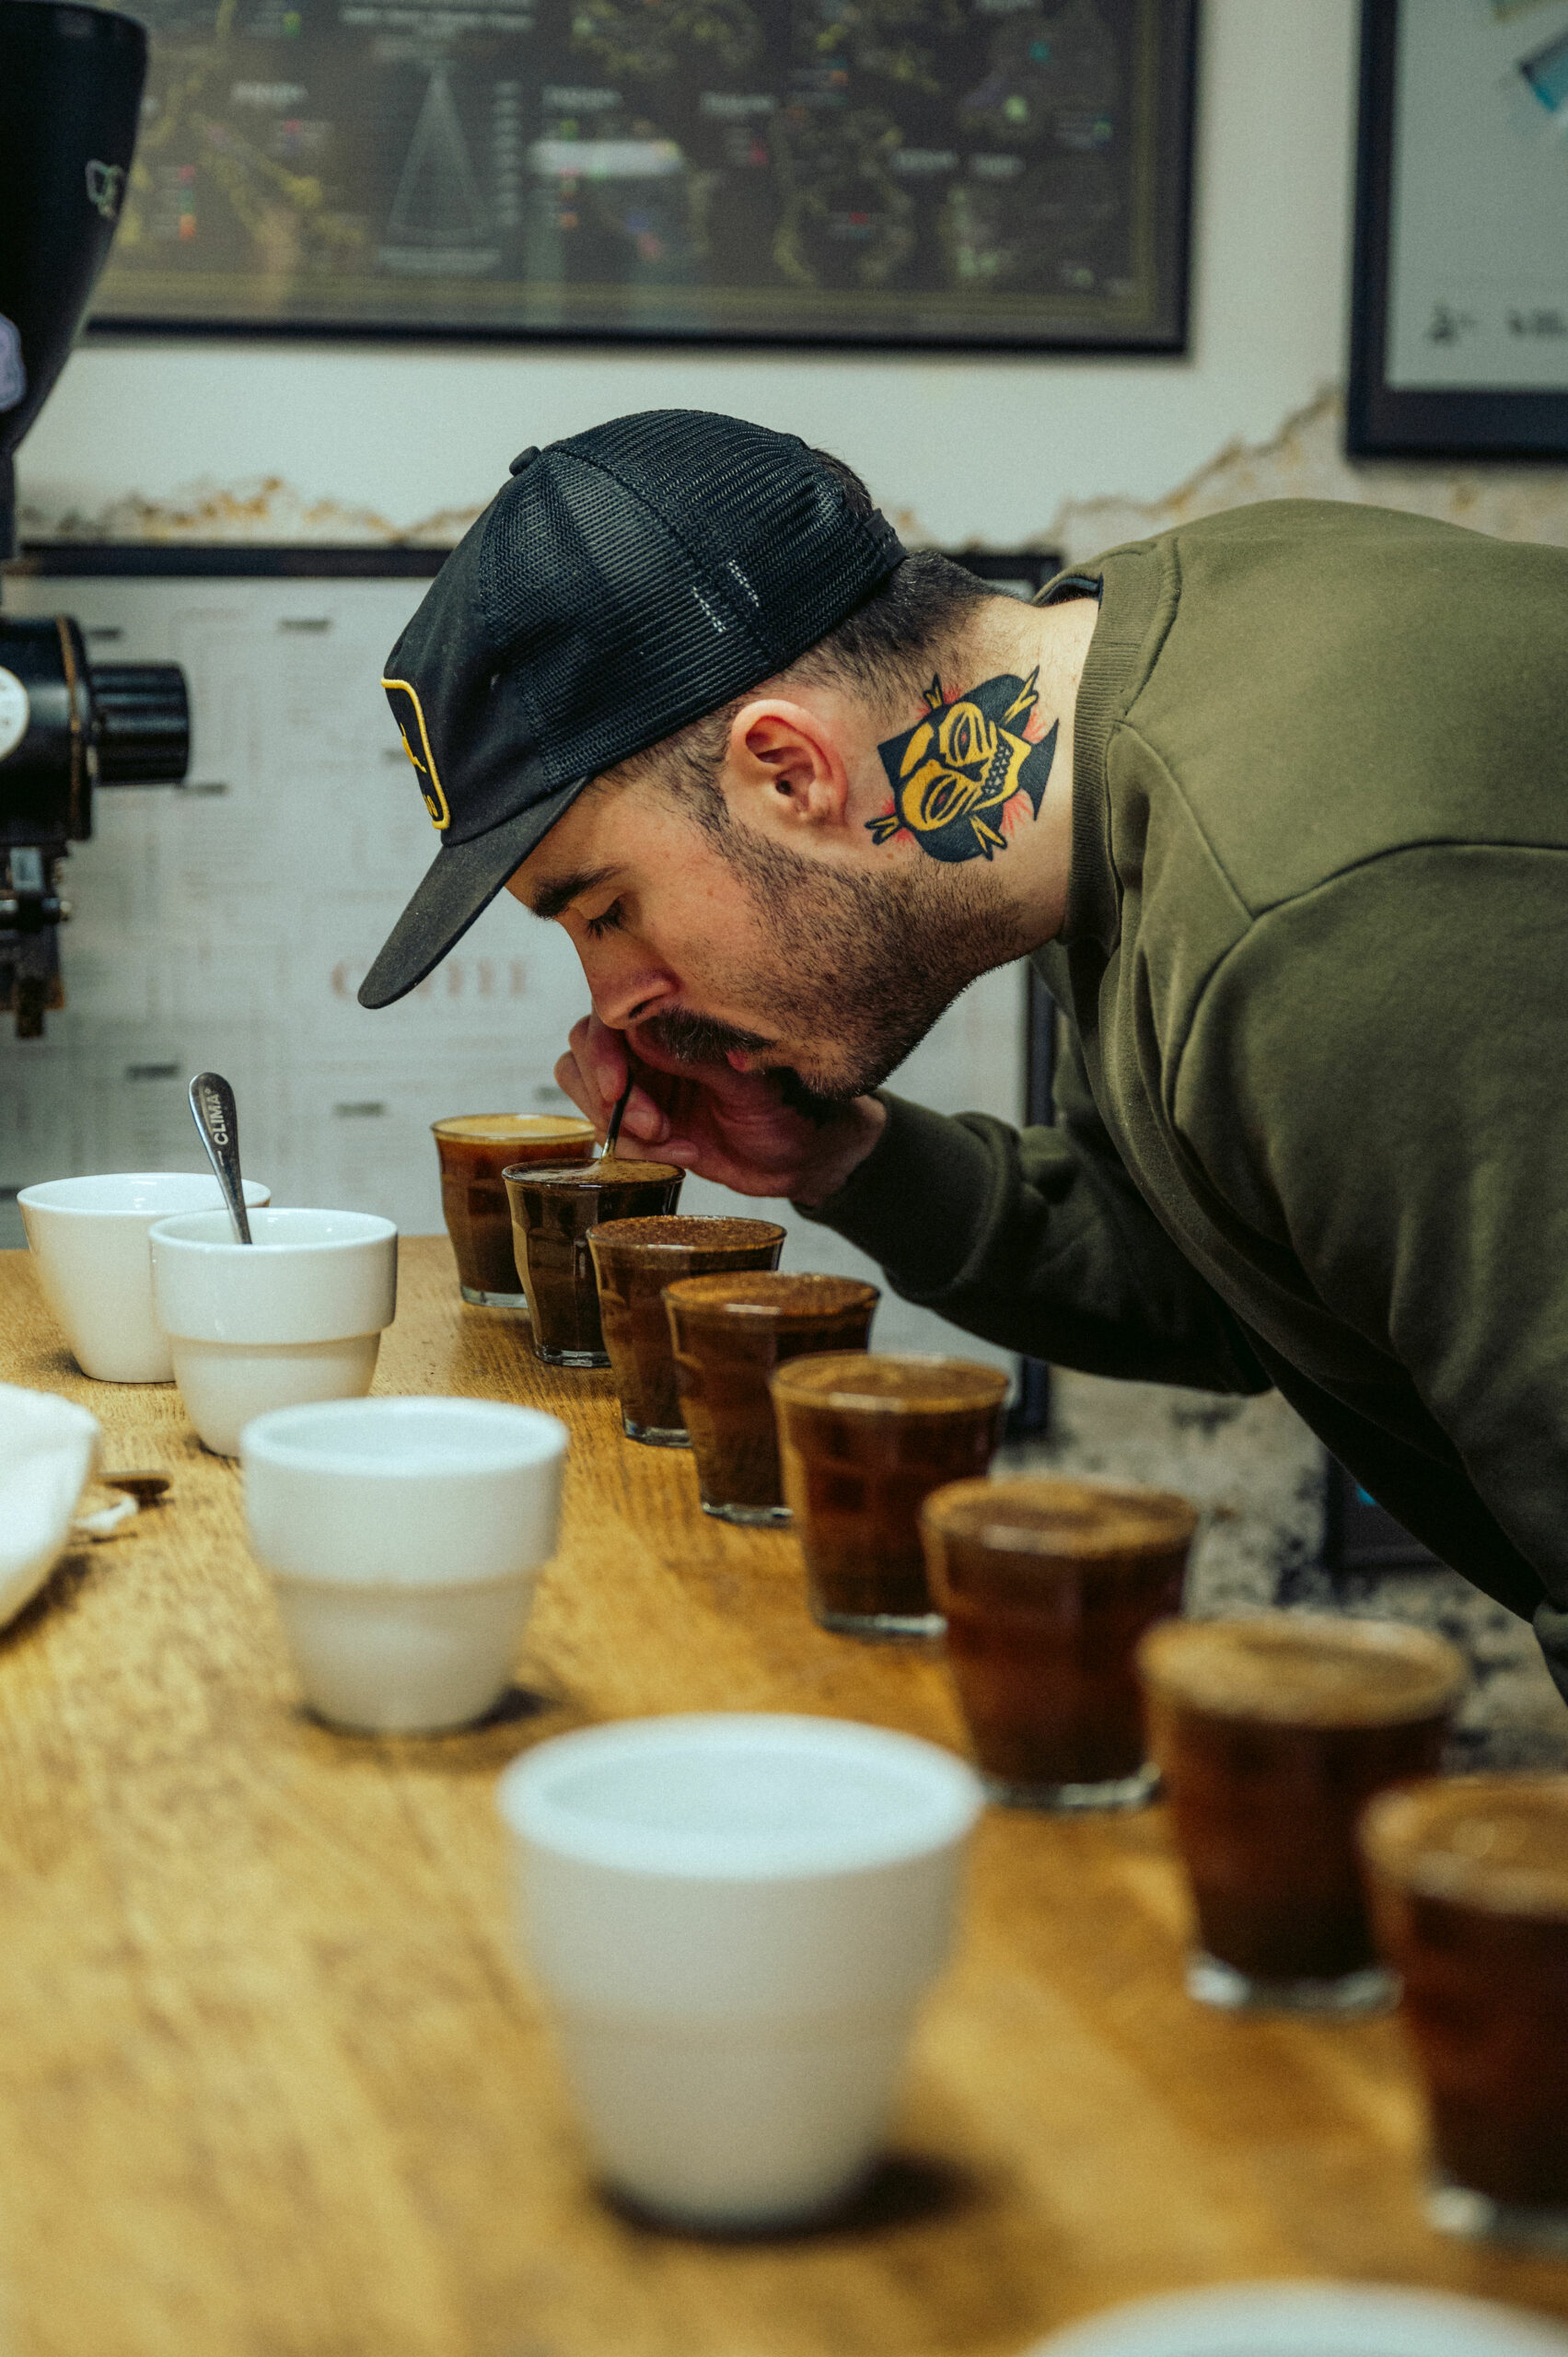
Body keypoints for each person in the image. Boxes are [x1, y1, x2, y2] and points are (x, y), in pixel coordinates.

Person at [359, 409, 1568, 1704]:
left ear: (789, 771)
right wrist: (841, 1160)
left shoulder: (1309, 925)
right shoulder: (1109, 713)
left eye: (606, 911)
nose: (616, 1004)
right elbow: (1245, 1275)